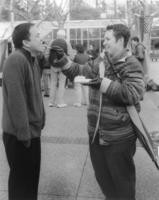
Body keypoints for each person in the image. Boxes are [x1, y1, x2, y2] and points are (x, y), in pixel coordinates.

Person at [49, 24, 145, 200]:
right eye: (105, 38)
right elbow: (80, 71)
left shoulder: (132, 64)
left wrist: (103, 84)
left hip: (119, 138)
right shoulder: (101, 61)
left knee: (123, 183)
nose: (104, 42)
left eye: (108, 39)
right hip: (96, 134)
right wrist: (63, 61)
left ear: (121, 40)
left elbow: (133, 93)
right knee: (103, 179)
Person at [2, 22, 45, 200]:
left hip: (31, 132)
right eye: (37, 36)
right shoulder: (16, 59)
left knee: (30, 181)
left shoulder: (32, 59)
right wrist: (24, 133)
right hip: (20, 135)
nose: (41, 38)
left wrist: (41, 119)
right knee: (21, 184)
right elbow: (16, 100)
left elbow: (35, 94)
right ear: (26, 42)